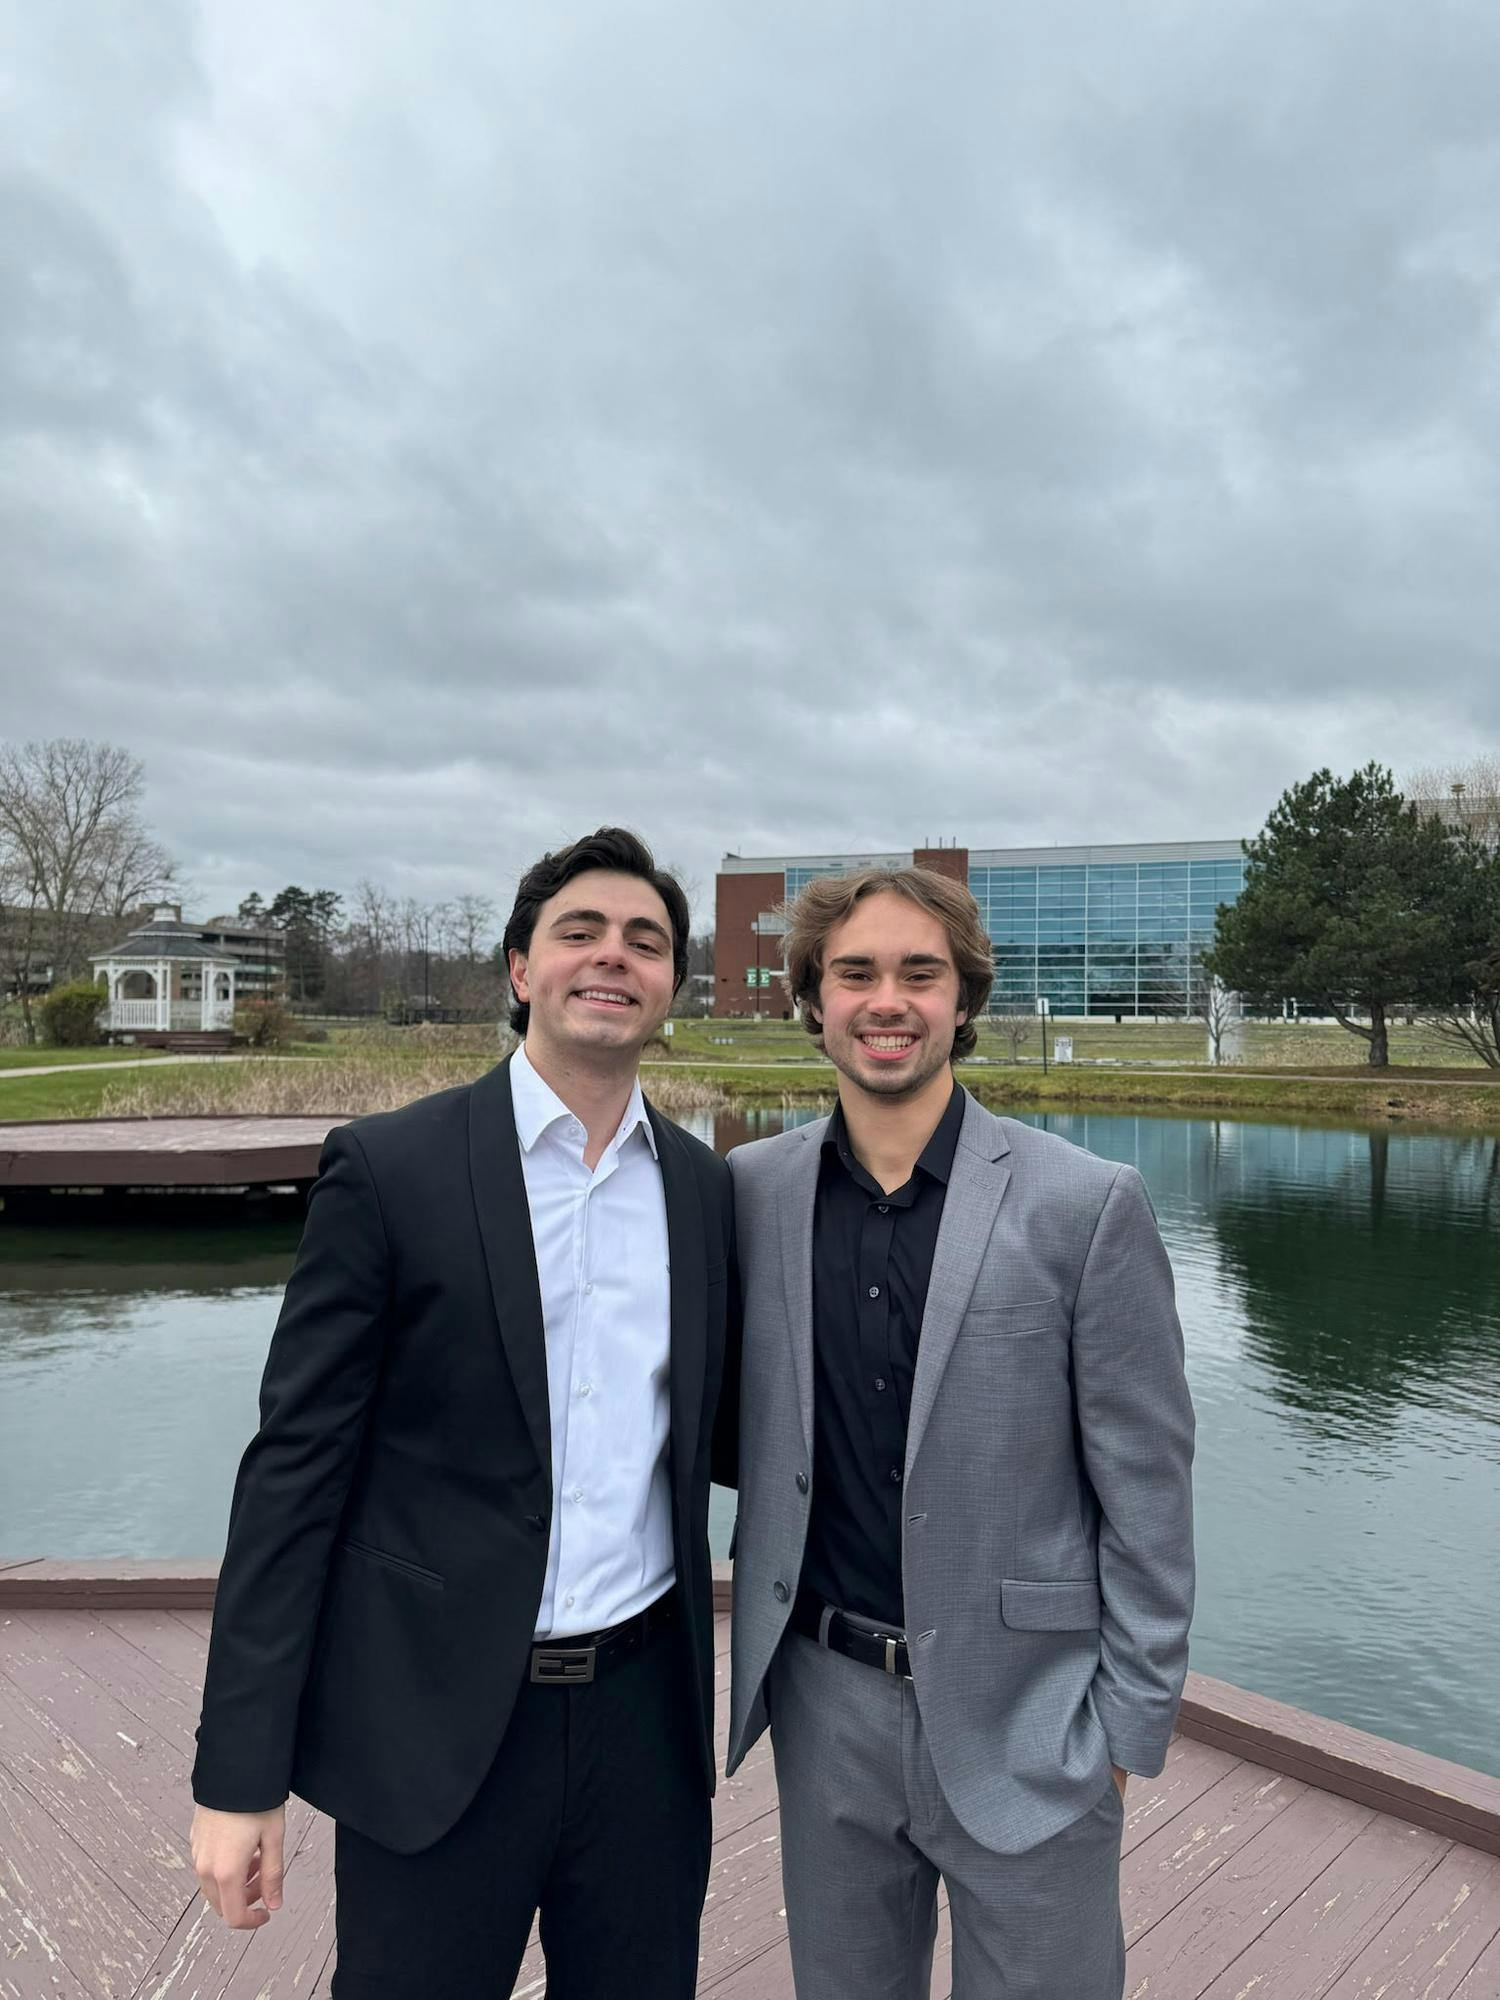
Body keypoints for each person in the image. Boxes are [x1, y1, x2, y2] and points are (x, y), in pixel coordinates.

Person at [190, 827, 733, 2000]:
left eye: (645, 941)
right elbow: (293, 1474)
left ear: (671, 985)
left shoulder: (704, 1192)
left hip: (647, 1725)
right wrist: (241, 1773)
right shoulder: (392, 1169)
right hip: (433, 1730)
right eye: (579, 931)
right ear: (520, 969)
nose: (613, 956)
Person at [718, 867, 1194, 2000]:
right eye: (857, 972)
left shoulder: (1087, 1203)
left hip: (1035, 1711)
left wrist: (1125, 1735)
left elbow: (1150, 1495)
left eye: (920, 972)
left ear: (964, 998)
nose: (889, 998)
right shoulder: (746, 1192)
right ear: (811, 1000)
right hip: (825, 1700)